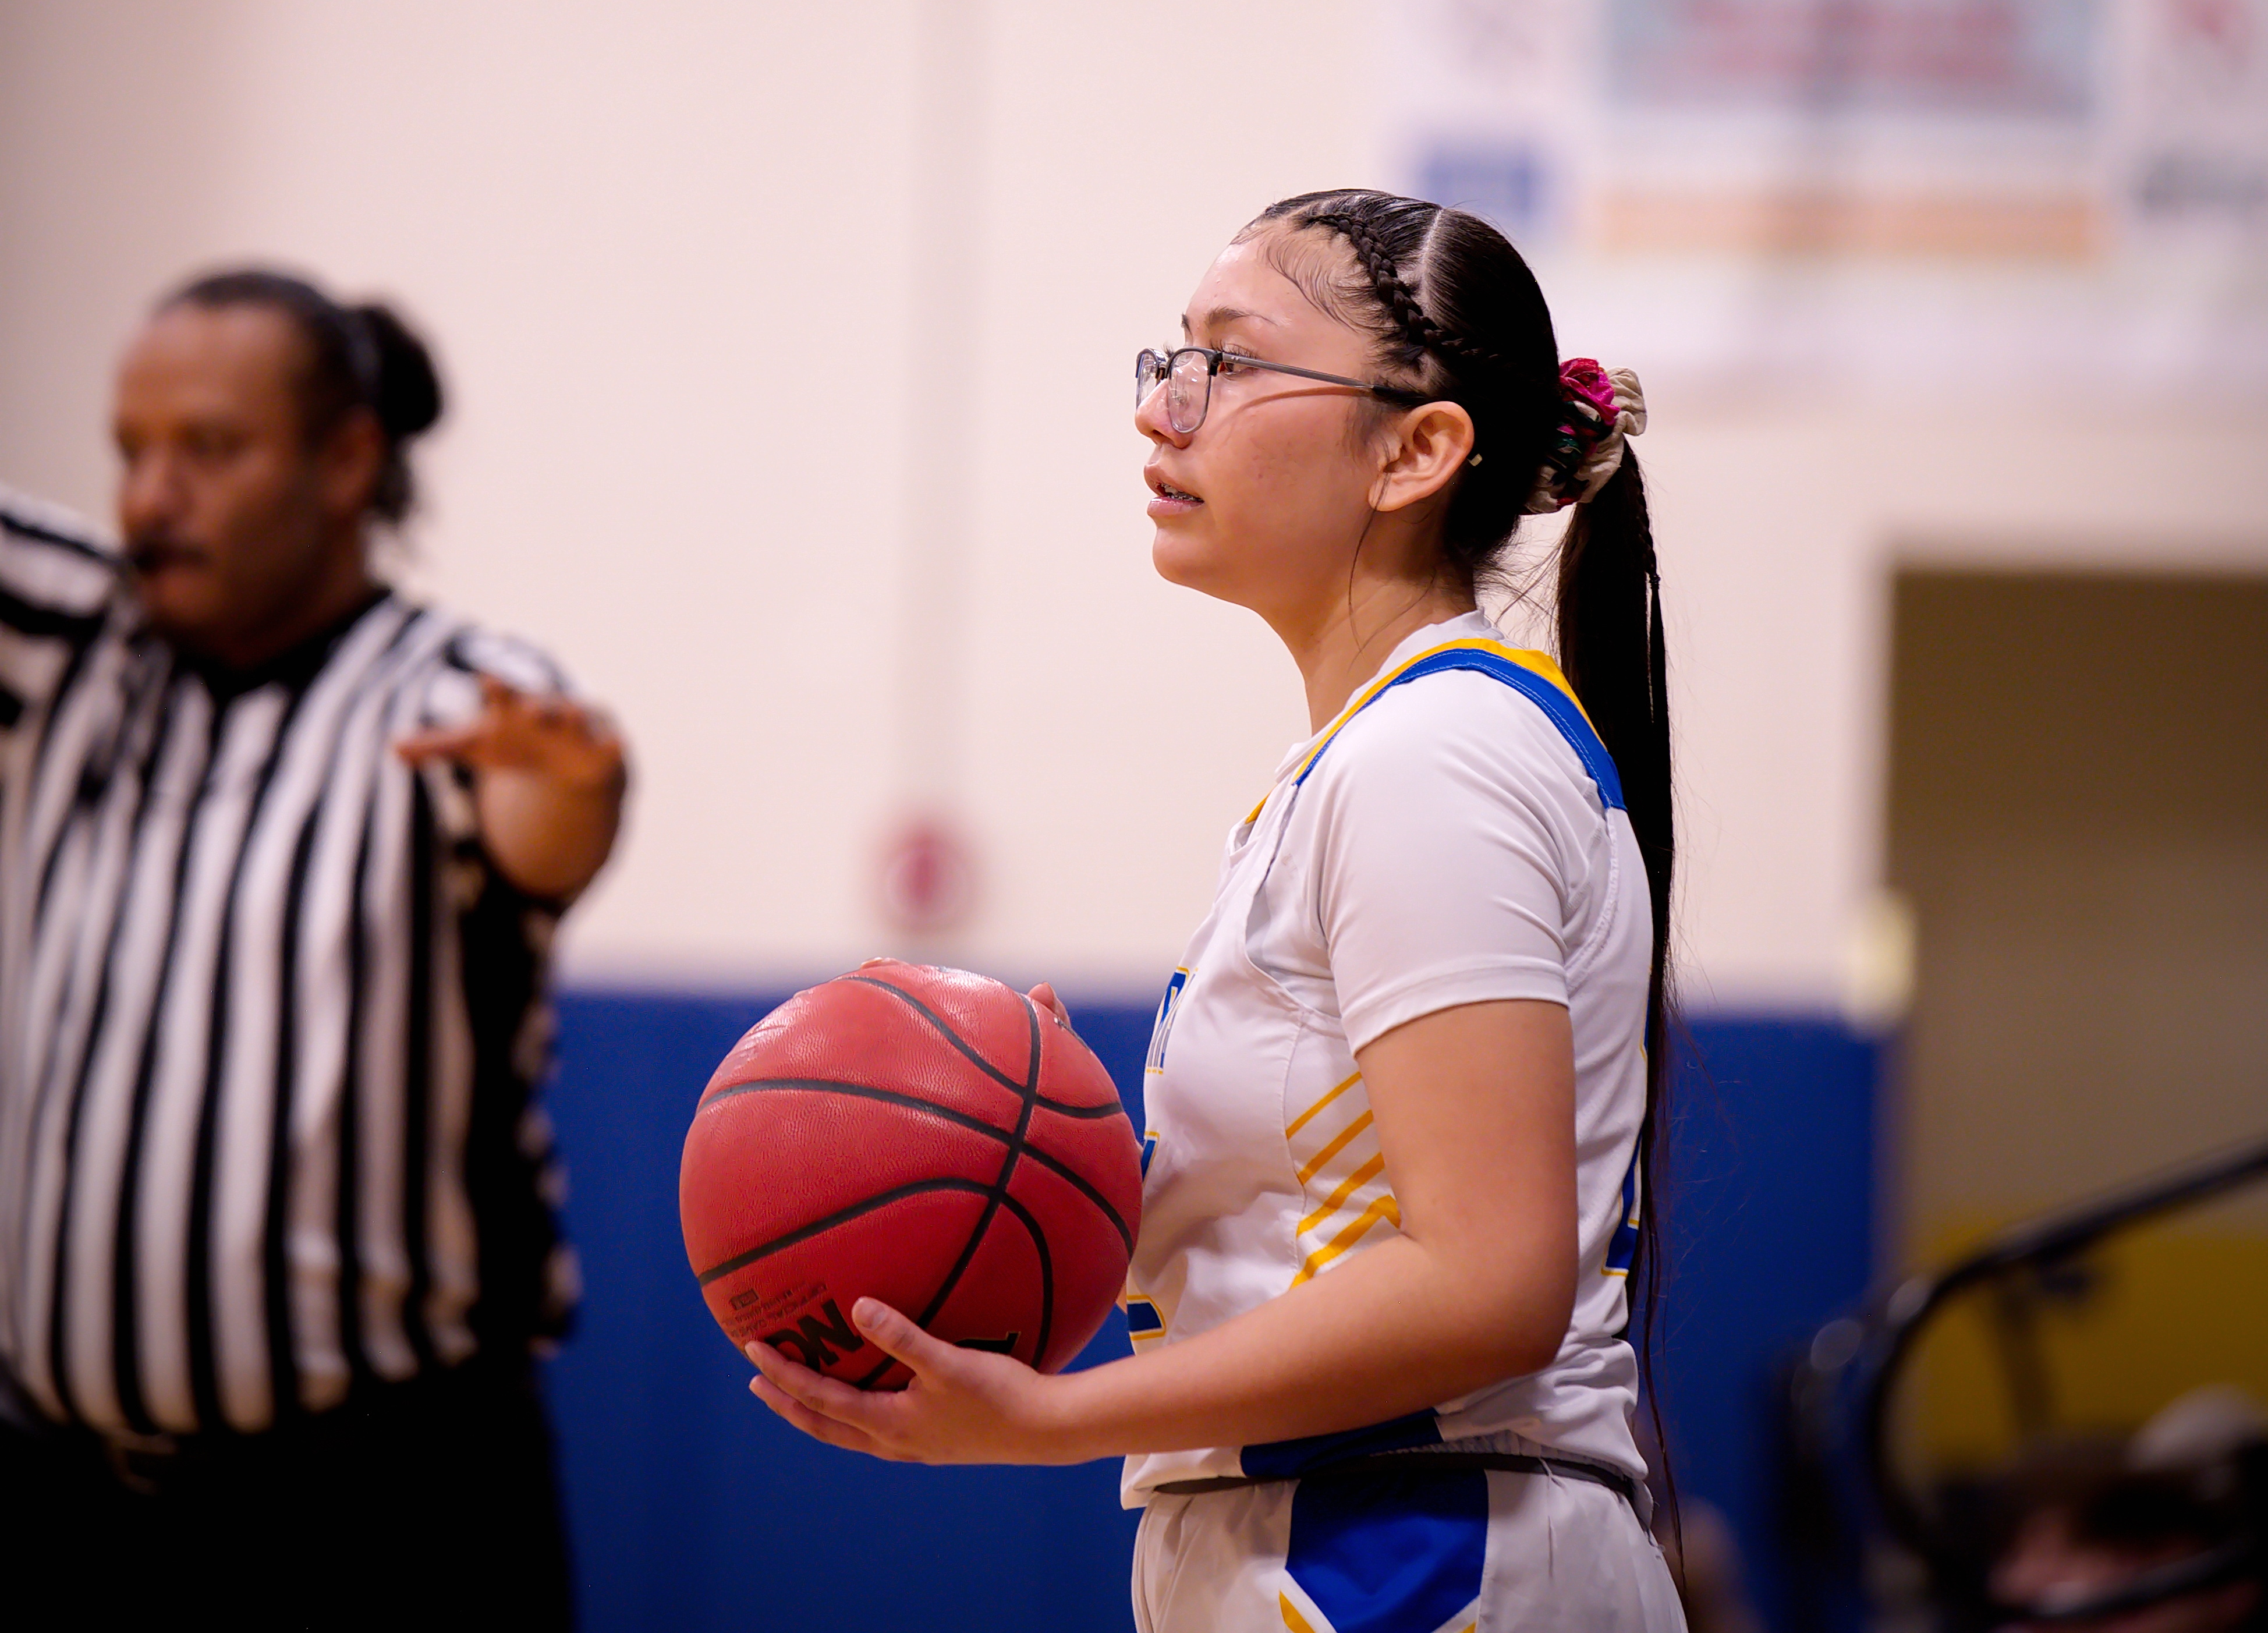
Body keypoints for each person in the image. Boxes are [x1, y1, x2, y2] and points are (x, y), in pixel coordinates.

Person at [745, 186, 1686, 1633]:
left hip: (1420, 1551)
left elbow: (1489, 1283)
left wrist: (1054, 1418)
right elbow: (1339, 1222)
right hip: (1352, 1537)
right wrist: (1057, 1136)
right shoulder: (1368, 758)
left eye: (1231, 362)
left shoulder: (1436, 756)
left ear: (1415, 451)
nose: (1163, 410)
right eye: (1169, 358)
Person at [0, 268, 628, 1632]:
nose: (151, 496)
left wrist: (575, 792)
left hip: (376, 1512)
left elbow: (554, 821)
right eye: (131, 451)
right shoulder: (74, 651)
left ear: (348, 460)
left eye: (209, 449)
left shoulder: (455, 697)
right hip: (59, 1503)